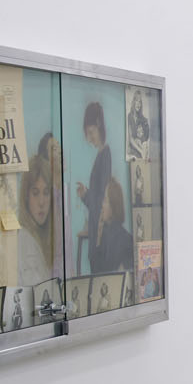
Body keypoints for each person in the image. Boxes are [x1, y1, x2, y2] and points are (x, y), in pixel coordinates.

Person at [14, 138, 61, 288]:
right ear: (26, 197)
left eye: (46, 193)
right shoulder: (25, 240)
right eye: (35, 193)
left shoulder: (45, 237)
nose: (42, 202)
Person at [73, 100, 112, 275]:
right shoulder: (102, 155)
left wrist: (86, 196)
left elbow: (102, 202)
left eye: (91, 132)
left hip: (101, 238)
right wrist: (86, 195)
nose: (89, 138)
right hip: (99, 235)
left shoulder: (104, 156)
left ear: (98, 125)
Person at [88, 174, 134, 276]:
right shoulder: (105, 234)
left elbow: (105, 272)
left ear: (113, 205)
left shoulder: (123, 239)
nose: (102, 205)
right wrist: (98, 237)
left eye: (105, 200)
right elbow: (95, 272)